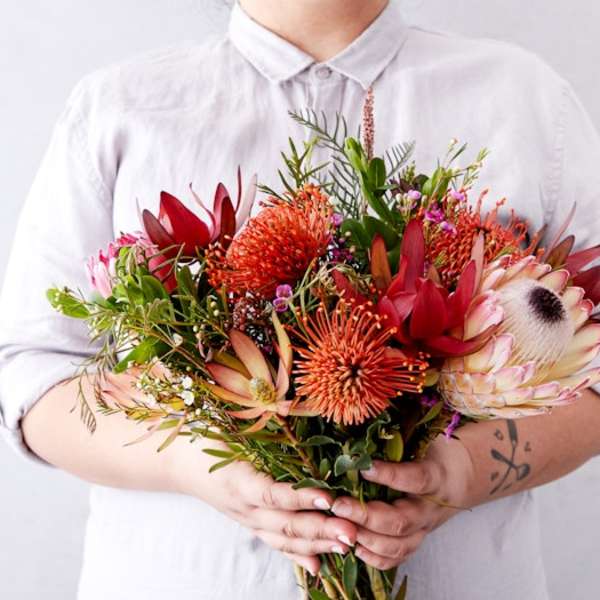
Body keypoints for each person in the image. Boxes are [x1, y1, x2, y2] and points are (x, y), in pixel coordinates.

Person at [1, 1, 599, 598]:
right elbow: (31, 373)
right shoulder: (119, 108)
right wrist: (191, 463)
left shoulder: (522, 97)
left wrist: (464, 471)